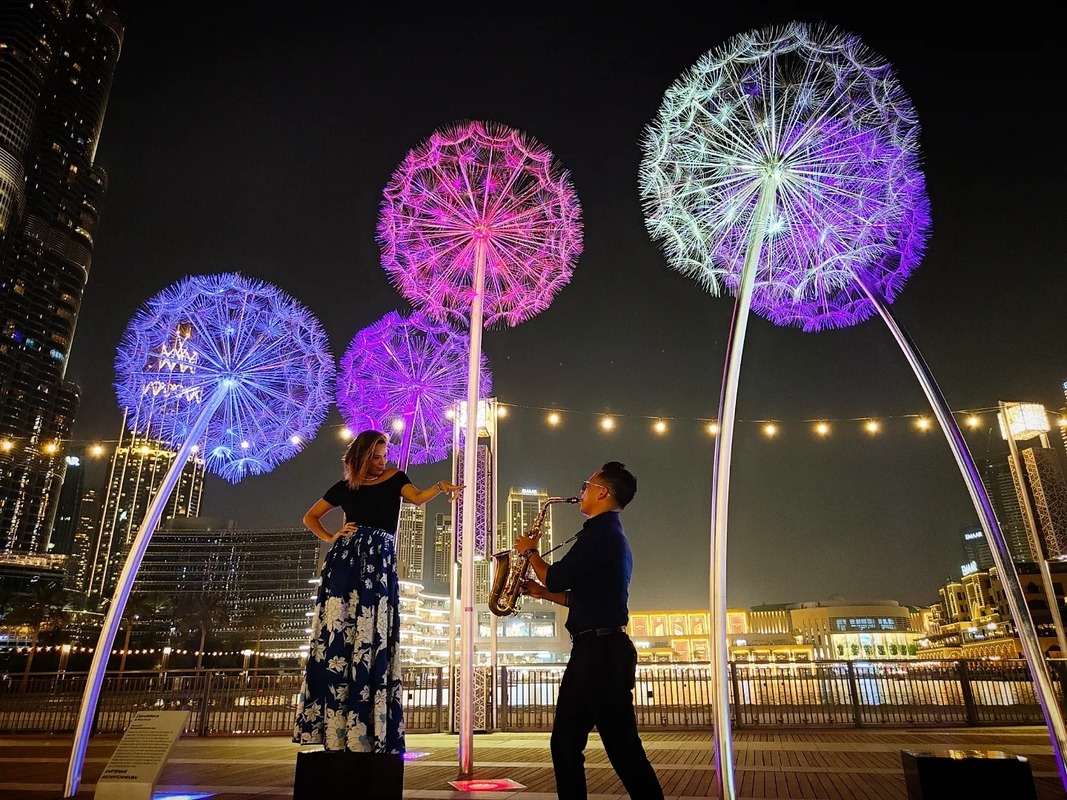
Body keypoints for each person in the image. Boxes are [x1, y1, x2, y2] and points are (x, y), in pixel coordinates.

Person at [292, 429, 463, 753]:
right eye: (375, 457)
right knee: (340, 630)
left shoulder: (396, 477)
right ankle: (337, 727)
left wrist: (440, 487)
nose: (382, 461)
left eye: (384, 455)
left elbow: (416, 497)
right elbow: (310, 517)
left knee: (374, 628)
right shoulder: (345, 487)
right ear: (361, 457)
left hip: (379, 561)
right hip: (345, 562)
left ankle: (366, 725)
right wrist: (331, 537)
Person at [514, 461, 663, 800]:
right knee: (566, 743)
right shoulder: (606, 535)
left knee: (622, 749)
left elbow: (556, 577)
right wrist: (540, 593)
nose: (581, 491)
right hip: (593, 651)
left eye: (587, 485)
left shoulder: (601, 535)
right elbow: (582, 597)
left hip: (601, 655)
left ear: (603, 492)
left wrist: (530, 552)